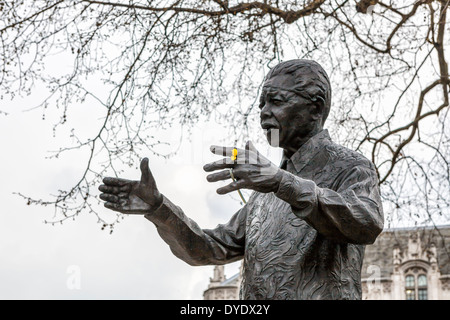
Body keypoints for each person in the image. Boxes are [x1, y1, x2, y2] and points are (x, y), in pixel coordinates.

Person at [98, 59, 384, 300]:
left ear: (316, 107)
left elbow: (366, 224)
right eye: (261, 104)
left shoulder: (350, 167)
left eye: (276, 101)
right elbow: (210, 248)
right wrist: (159, 209)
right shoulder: (265, 191)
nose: (263, 113)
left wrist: (281, 183)